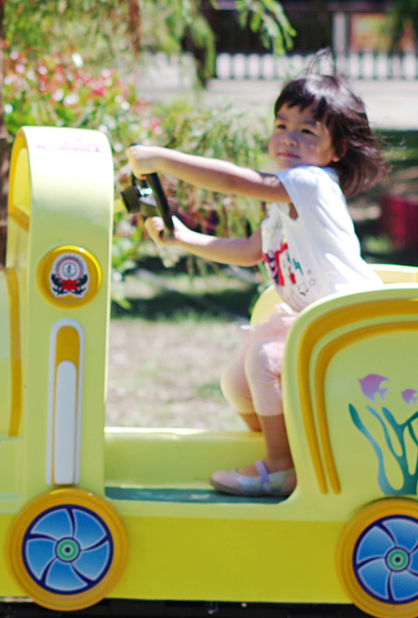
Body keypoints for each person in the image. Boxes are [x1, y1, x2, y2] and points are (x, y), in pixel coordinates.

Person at [127, 72, 387, 496]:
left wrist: (163, 159)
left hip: (346, 323)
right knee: (239, 379)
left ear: (335, 150)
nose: (288, 138)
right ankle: (288, 450)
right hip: (315, 321)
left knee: (266, 360)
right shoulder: (286, 198)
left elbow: (233, 181)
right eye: (282, 125)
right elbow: (252, 250)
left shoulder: (311, 183)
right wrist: (185, 237)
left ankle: (282, 468)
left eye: (307, 131)